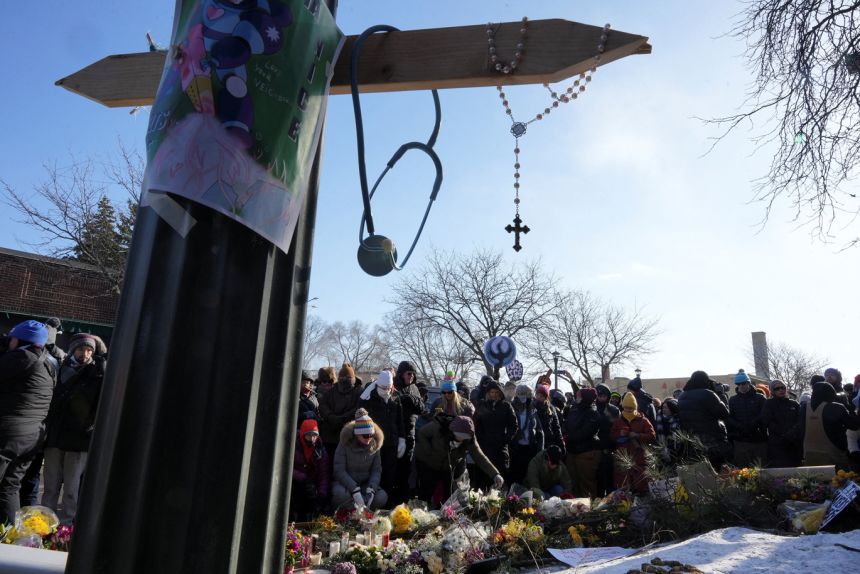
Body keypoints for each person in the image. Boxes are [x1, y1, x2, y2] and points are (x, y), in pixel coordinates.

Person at [41, 333, 106, 523]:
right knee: (51, 485)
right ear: (72, 350)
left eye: (89, 350)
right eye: (80, 349)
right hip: (56, 435)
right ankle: (44, 522)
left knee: (71, 488)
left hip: (79, 439)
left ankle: (66, 525)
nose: (84, 354)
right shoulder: (60, 369)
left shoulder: (98, 373)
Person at [0, 320, 55, 523]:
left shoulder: (21, 357)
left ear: (22, 340)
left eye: (12, 338)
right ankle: (8, 536)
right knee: (10, 487)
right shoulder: (47, 362)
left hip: (9, 434)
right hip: (32, 437)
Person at [19, 317, 65, 508]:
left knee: (16, 481)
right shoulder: (57, 363)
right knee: (29, 480)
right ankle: (24, 522)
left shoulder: (25, 359)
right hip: (40, 430)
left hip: (23, 427)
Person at [415, 413, 502, 506]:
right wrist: (429, 452)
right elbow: (422, 433)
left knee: (449, 496)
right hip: (428, 463)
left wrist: (495, 474)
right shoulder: (438, 427)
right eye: (459, 436)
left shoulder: (470, 439)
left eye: (465, 437)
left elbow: (479, 457)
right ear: (452, 431)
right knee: (425, 492)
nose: (461, 440)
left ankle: (446, 516)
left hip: (449, 467)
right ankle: (419, 513)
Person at [359, 370, 405, 505]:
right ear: (378, 385)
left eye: (389, 388)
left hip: (392, 443)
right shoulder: (368, 398)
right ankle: (370, 503)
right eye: (384, 388)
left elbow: (400, 420)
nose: (386, 391)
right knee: (373, 474)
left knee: (389, 476)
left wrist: (402, 439)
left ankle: (386, 505)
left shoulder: (396, 397)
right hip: (374, 443)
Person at [332, 409, 387, 509]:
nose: (369, 438)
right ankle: (348, 515)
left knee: (381, 497)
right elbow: (339, 470)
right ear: (357, 434)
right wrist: (354, 489)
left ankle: (366, 513)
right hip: (346, 484)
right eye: (365, 435)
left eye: (371, 435)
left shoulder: (375, 445)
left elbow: (376, 470)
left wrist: (372, 488)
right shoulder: (345, 443)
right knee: (341, 495)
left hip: (365, 484)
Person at [678, 370, 731, 470]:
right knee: (718, 474)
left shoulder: (682, 396)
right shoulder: (708, 394)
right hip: (712, 443)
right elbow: (724, 413)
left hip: (691, 443)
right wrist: (720, 394)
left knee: (700, 475)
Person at [800, 381, 860, 470]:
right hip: (834, 454)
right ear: (831, 393)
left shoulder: (804, 407)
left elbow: (800, 428)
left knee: (814, 482)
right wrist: (847, 405)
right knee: (839, 481)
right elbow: (854, 425)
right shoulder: (836, 407)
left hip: (809, 454)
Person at [472, 378, 518, 489]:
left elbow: (514, 426)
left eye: (496, 392)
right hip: (484, 448)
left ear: (500, 393)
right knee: (483, 480)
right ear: (488, 393)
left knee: (501, 478)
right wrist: (480, 439)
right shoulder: (481, 405)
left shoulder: (506, 406)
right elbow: (475, 425)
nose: (493, 395)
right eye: (491, 392)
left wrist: (506, 439)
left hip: (500, 448)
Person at [610, 392, 657, 493]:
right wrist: (620, 434)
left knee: (641, 485)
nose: (628, 410)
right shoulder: (618, 421)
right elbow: (612, 436)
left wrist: (637, 435)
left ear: (635, 408)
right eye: (626, 408)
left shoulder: (643, 421)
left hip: (639, 457)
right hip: (623, 457)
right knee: (623, 486)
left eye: (630, 408)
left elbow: (652, 436)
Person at [392, 361, 424, 504]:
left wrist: (411, 399)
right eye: (409, 373)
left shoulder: (414, 388)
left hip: (409, 433)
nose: (411, 376)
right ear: (401, 374)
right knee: (392, 468)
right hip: (394, 434)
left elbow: (422, 408)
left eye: (413, 374)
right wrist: (400, 399)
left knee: (406, 470)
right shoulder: (393, 386)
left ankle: (402, 501)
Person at [318, 363, 361, 468]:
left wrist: (341, 418)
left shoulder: (358, 392)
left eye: (348, 378)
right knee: (329, 465)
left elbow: (357, 408)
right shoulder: (331, 392)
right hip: (330, 435)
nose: (345, 380)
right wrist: (331, 417)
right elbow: (323, 406)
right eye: (342, 377)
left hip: (349, 436)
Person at [563, 387, 602, 498]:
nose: (577, 397)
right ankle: (576, 510)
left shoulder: (593, 413)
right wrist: (565, 434)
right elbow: (565, 425)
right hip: (572, 451)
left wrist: (568, 437)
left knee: (587, 484)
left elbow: (585, 433)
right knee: (573, 484)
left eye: (579, 395)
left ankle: (589, 511)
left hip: (586, 452)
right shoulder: (574, 410)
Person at [290, 419, 330, 521]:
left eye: (315, 435)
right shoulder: (293, 445)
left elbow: (323, 474)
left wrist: (321, 494)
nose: (312, 438)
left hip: (312, 484)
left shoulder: (320, 450)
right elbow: (287, 467)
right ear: (303, 434)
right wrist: (303, 478)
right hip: (295, 482)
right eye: (309, 435)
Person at [728, 369, 767, 468]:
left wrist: (754, 424)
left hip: (758, 439)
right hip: (741, 439)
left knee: (760, 468)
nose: (742, 386)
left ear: (748, 383)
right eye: (739, 384)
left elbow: (765, 415)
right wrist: (739, 426)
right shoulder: (732, 400)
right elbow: (729, 417)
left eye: (744, 383)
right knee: (743, 469)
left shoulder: (760, 398)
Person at [760, 379, 801, 467]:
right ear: (772, 391)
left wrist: (792, 433)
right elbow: (766, 421)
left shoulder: (794, 404)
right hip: (777, 444)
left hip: (793, 443)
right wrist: (782, 433)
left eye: (783, 387)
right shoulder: (769, 404)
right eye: (777, 388)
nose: (781, 390)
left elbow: (800, 421)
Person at [509, 384, 544, 485]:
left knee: (529, 478)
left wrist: (540, 451)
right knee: (516, 478)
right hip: (516, 449)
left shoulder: (533, 410)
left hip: (530, 449)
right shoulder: (511, 408)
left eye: (528, 396)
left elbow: (540, 431)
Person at [594, 384, 620, 495]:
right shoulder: (592, 407)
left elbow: (617, 429)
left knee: (610, 480)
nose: (600, 397)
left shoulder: (614, 410)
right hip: (595, 448)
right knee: (597, 480)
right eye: (598, 395)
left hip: (610, 448)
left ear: (607, 396)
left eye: (603, 395)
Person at [534, 383, 564, 455]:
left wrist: (561, 444)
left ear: (546, 397)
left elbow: (556, 428)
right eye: (537, 395)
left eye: (541, 396)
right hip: (536, 443)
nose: (539, 397)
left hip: (549, 442)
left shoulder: (551, 409)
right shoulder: (532, 408)